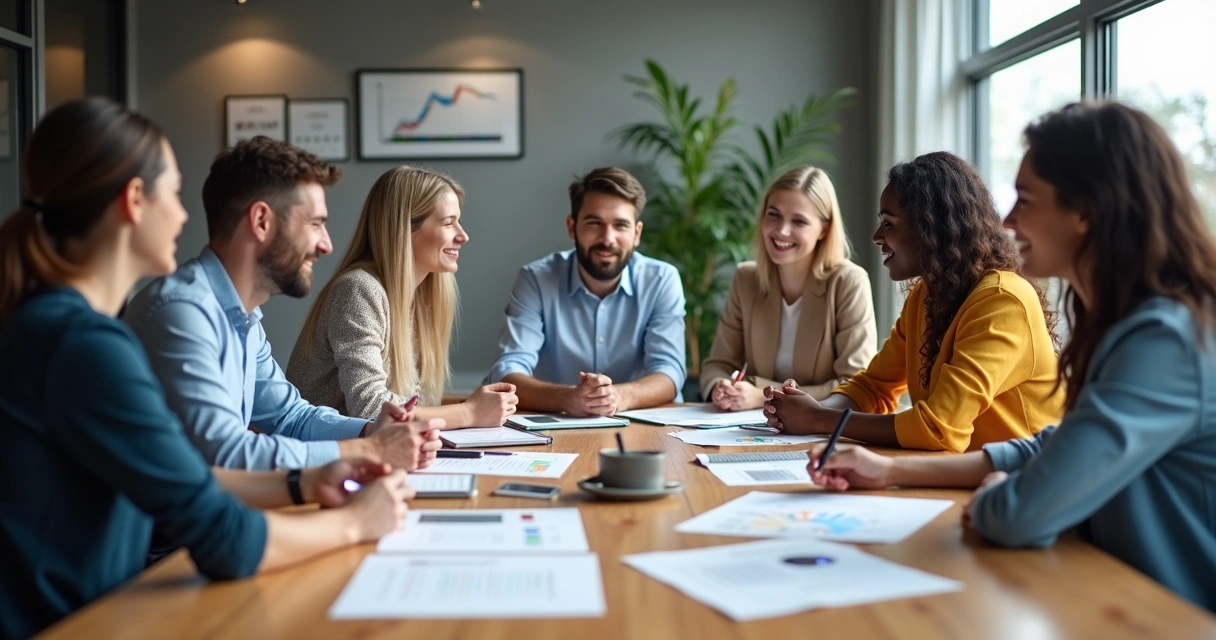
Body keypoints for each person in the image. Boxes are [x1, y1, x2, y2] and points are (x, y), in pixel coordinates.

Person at [0, 98, 419, 639]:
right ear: (133, 201)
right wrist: (354, 522)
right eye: (173, 193)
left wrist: (309, 478)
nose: (182, 213)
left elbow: (187, 476)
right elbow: (219, 532)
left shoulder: (63, 328)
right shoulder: (84, 344)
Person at [804, 102, 1216, 612]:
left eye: (1025, 199)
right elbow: (1053, 446)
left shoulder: (1166, 340)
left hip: (1170, 613)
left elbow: (1020, 514)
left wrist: (1001, 492)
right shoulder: (1124, 322)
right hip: (1105, 589)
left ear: (1087, 210)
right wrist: (888, 471)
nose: (1008, 219)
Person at [124, 136, 442, 470]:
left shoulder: (243, 318)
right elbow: (223, 453)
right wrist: (370, 450)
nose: (326, 245)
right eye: (315, 224)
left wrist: (371, 429)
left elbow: (291, 418)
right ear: (261, 221)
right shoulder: (182, 312)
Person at [765, 151, 1064, 452]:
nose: (876, 236)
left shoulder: (1002, 301)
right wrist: (808, 408)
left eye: (889, 224)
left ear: (930, 227)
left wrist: (819, 419)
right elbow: (873, 387)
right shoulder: (927, 296)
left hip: (1026, 486)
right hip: (959, 477)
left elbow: (937, 428)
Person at [288, 166, 518, 426]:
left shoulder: (419, 299)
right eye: (448, 223)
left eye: (459, 221)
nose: (463, 236)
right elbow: (370, 408)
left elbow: (411, 404)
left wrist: (476, 407)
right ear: (404, 229)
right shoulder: (359, 290)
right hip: (330, 457)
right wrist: (470, 412)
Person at [484, 167, 686, 416]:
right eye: (594, 223)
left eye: (621, 225)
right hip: (556, 425)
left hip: (639, 424)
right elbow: (507, 369)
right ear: (572, 227)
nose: (607, 238)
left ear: (637, 233)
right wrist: (567, 397)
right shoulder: (536, 279)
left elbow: (670, 370)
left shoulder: (661, 280)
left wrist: (617, 397)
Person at [701, 166, 876, 409]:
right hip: (748, 427)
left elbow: (855, 384)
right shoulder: (746, 278)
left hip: (821, 426)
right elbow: (717, 364)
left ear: (823, 229)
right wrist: (720, 386)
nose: (782, 230)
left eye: (799, 221)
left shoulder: (848, 282)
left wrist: (764, 395)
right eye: (773, 214)